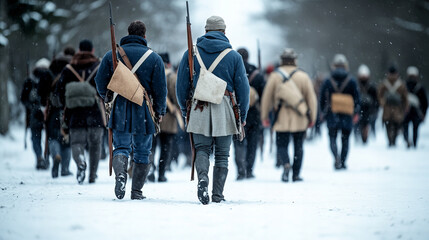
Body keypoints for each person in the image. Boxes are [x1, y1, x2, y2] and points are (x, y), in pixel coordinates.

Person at [176, 16, 249, 204]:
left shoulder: (191, 54)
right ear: (224, 32)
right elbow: (243, 90)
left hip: (199, 106)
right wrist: (243, 116)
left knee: (201, 149)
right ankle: (217, 195)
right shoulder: (234, 56)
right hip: (225, 106)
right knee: (222, 154)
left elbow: (181, 86)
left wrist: (186, 111)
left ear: (206, 32)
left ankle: (202, 178)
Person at [95, 21, 166, 199]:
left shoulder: (112, 55)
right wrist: (160, 111)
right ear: (144, 36)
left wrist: (108, 97)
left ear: (128, 33)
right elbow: (160, 89)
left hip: (120, 106)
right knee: (143, 151)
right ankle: (136, 191)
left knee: (120, 147)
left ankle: (121, 176)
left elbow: (99, 81)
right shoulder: (154, 58)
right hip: (144, 109)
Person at [261, 48, 317, 182]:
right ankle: (296, 174)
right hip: (300, 116)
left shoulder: (275, 76)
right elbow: (311, 99)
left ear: (282, 60)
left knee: (281, 144)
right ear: (294, 60)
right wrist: (312, 117)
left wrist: (264, 117)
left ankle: (286, 163)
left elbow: (266, 98)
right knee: (299, 146)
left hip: (281, 115)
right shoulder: (303, 76)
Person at [56, 40, 104, 184]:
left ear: (78, 50)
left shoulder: (69, 69)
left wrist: (67, 104)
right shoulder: (98, 67)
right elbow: (106, 89)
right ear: (93, 50)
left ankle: (80, 162)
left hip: (75, 114)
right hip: (95, 113)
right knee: (95, 145)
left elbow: (59, 92)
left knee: (76, 143)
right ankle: (92, 175)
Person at [319, 54, 360, 170]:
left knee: (332, 138)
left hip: (332, 114)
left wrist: (322, 111)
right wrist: (356, 112)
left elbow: (322, 98)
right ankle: (343, 161)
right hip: (347, 115)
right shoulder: (351, 80)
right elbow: (357, 98)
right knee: (345, 139)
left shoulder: (328, 80)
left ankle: (336, 157)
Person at [233, 48, 265, 180]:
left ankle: (241, 170)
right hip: (254, 115)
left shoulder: (234, 71)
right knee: (252, 143)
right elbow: (263, 96)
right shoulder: (257, 74)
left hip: (237, 112)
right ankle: (249, 169)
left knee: (238, 142)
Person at [148, 53, 180, 182]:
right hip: (169, 117)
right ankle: (161, 173)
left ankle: (150, 169)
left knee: (151, 147)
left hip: (152, 116)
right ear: (169, 63)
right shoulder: (172, 77)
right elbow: (177, 97)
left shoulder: (151, 75)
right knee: (166, 148)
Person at [46, 47, 75, 178]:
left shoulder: (51, 70)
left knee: (53, 136)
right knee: (66, 138)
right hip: (68, 109)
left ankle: (55, 156)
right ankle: (65, 168)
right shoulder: (73, 69)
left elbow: (42, 91)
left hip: (53, 109)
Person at [21, 58, 52, 170]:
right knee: (49, 136)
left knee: (35, 136)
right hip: (48, 111)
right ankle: (47, 157)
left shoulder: (29, 80)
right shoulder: (50, 78)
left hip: (34, 113)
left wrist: (31, 106)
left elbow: (23, 98)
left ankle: (39, 157)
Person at [378, 65, 408, 147]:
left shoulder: (386, 84)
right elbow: (405, 97)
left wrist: (382, 103)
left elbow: (380, 96)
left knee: (391, 125)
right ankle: (392, 140)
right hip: (394, 109)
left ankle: (391, 140)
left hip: (391, 108)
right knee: (393, 125)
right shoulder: (399, 84)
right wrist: (405, 106)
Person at [403, 66, 428, 148]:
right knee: (414, 128)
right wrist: (424, 113)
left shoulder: (405, 86)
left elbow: (425, 102)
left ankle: (409, 141)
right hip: (413, 112)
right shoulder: (419, 87)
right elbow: (425, 103)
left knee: (409, 127)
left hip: (411, 111)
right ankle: (412, 142)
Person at [355, 64, 379, 144]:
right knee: (364, 124)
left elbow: (376, 99)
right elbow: (376, 100)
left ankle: (361, 136)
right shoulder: (371, 86)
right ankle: (363, 136)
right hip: (367, 110)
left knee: (361, 123)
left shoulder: (357, 86)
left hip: (362, 109)